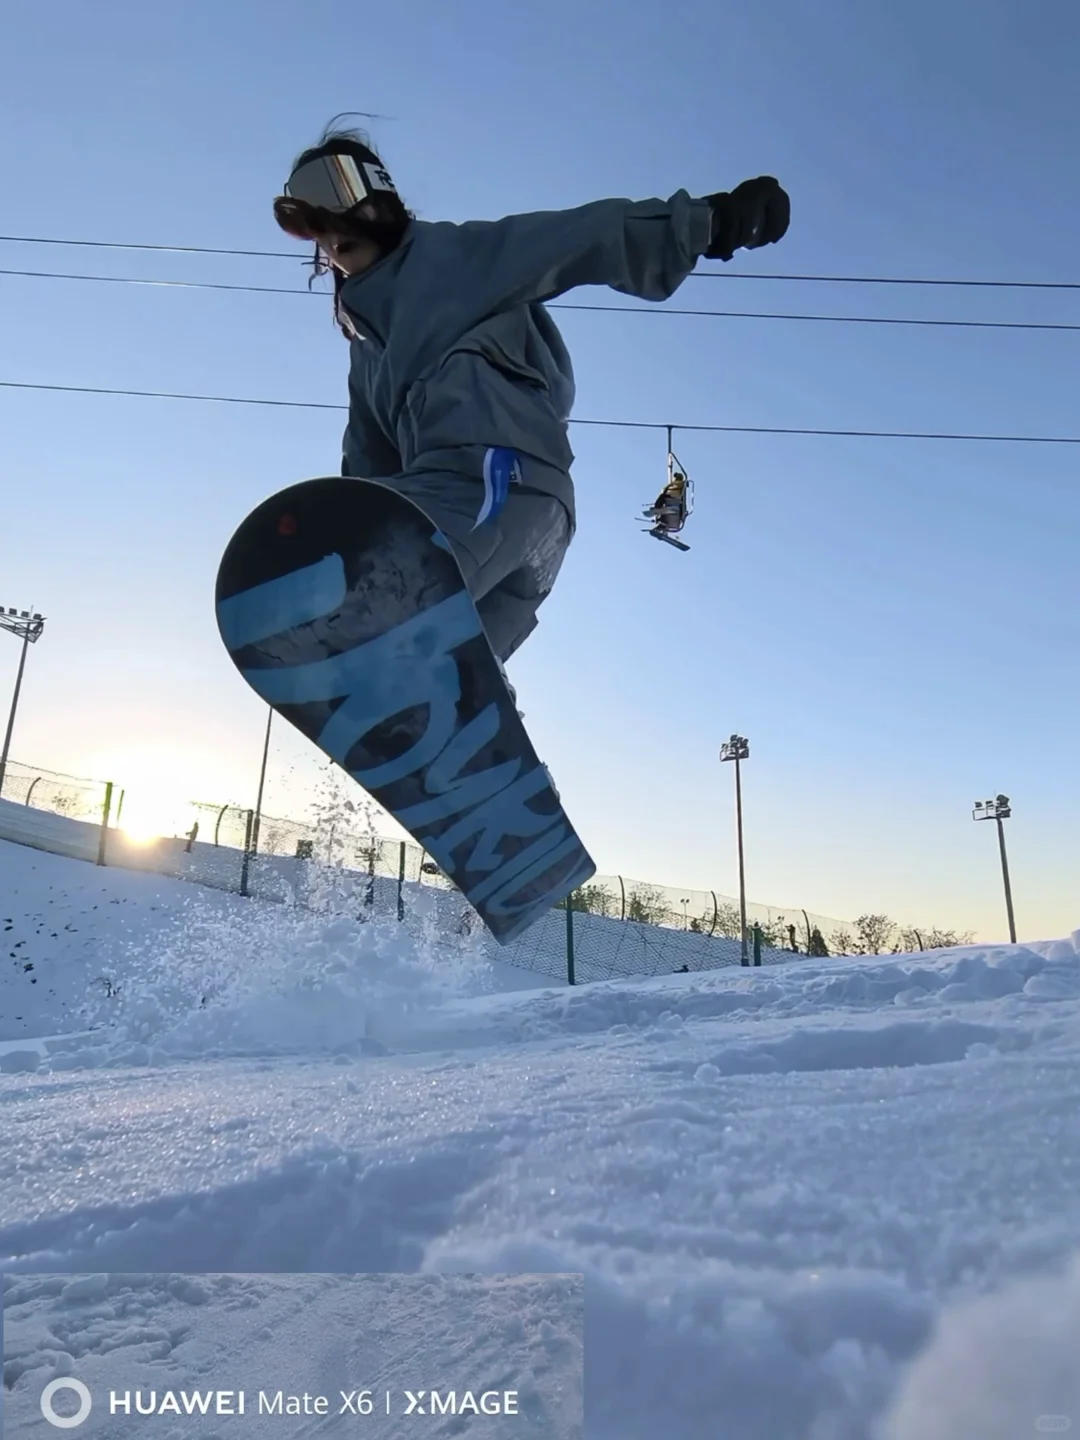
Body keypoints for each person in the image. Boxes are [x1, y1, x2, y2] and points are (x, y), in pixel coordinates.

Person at [273, 124, 789, 673]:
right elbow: (369, 465)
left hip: (492, 484)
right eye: (316, 233)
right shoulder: (368, 350)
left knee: (364, 594)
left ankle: (390, 639)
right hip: (522, 538)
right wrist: (343, 528)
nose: (329, 243)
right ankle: (456, 724)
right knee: (440, 671)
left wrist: (708, 223)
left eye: (332, 215)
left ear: (374, 197)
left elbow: (579, 238)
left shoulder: (451, 259)